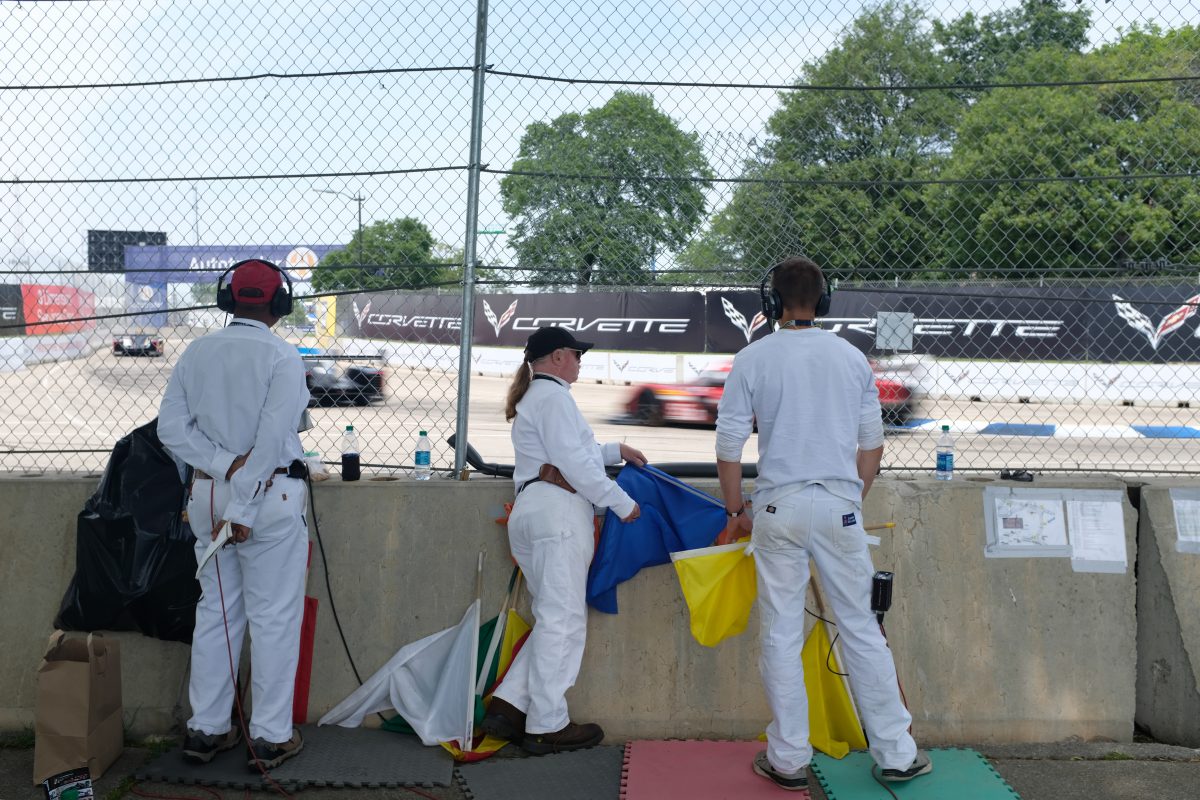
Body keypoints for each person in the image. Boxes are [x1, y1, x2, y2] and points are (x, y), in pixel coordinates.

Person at [714, 256, 931, 792]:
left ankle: (788, 759)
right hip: (840, 507)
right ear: (824, 301)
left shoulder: (752, 357)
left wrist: (735, 513)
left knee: (781, 633)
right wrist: (850, 500)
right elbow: (872, 447)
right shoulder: (852, 358)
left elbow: (728, 446)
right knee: (861, 629)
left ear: (772, 303)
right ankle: (897, 754)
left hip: (777, 509)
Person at [158, 259, 311, 772]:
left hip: (207, 495)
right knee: (273, 620)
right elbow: (269, 441)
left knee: (216, 615)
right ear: (280, 303)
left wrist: (223, 466)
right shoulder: (282, 356)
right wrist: (243, 502)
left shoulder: (196, 352)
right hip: (266, 502)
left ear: (228, 299)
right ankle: (268, 737)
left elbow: (171, 429)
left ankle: (206, 730)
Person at [482, 326, 646, 755]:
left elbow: (569, 451)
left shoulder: (539, 396)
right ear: (557, 357)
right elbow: (574, 462)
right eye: (576, 354)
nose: (579, 362)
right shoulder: (554, 398)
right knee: (564, 620)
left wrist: (614, 450)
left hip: (532, 510)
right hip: (558, 515)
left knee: (553, 617)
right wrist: (621, 502)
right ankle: (546, 725)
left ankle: (509, 707)